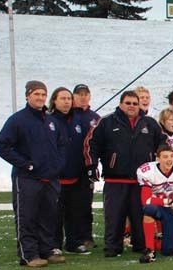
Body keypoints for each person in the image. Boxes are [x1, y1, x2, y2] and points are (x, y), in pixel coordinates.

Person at [0, 81, 67, 267]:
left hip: (50, 178)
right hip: (27, 178)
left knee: (48, 216)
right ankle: (28, 254)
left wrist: (58, 164)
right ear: (28, 96)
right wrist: (26, 164)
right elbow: (2, 146)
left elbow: (61, 145)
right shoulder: (17, 120)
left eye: (43, 94)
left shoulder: (51, 121)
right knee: (27, 217)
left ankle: (46, 249)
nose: (40, 98)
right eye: (37, 94)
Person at [86, 90, 165, 257]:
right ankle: (112, 247)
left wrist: (159, 166)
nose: (132, 106)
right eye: (128, 103)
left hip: (141, 181)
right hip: (116, 179)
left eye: (135, 103)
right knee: (114, 216)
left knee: (139, 215)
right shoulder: (107, 122)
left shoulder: (149, 123)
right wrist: (92, 165)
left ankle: (140, 245)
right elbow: (92, 144)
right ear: (121, 104)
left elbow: (163, 144)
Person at [49, 87, 90, 255]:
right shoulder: (48, 120)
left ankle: (74, 242)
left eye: (68, 98)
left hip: (76, 175)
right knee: (55, 213)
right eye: (62, 98)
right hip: (55, 176)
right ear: (54, 101)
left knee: (75, 212)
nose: (66, 101)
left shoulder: (78, 120)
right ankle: (54, 244)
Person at [136, 145, 173, 263]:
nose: (169, 159)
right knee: (148, 209)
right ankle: (149, 250)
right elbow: (146, 200)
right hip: (158, 207)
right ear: (157, 158)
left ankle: (162, 239)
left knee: (168, 250)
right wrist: (168, 201)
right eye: (165, 157)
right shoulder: (147, 171)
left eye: (171, 156)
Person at [73, 83, 100, 250]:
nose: (83, 97)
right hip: (68, 167)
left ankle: (86, 236)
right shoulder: (69, 115)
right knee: (65, 206)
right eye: (79, 94)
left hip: (86, 167)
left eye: (86, 94)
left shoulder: (95, 117)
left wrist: (94, 164)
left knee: (85, 203)